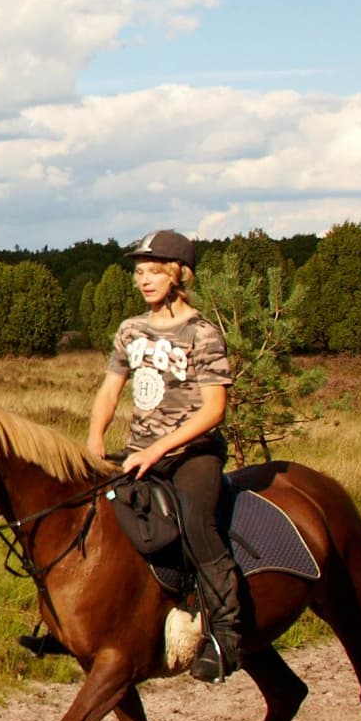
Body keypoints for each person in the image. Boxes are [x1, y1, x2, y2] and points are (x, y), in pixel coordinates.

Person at [89, 229, 245, 683]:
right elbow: (110, 389)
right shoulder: (130, 331)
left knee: (199, 520)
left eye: (154, 271)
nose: (144, 280)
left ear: (178, 275)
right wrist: (95, 437)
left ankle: (225, 634)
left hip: (191, 455)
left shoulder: (203, 334)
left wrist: (161, 448)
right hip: (139, 454)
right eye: (139, 272)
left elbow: (214, 409)